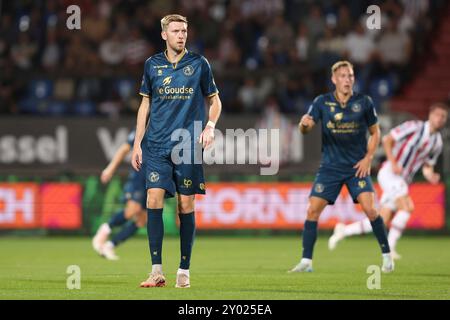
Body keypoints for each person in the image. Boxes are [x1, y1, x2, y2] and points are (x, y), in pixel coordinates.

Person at [131, 14, 222, 288]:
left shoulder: (199, 64)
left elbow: (215, 101)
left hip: (187, 145)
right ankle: (156, 270)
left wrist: (210, 126)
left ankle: (184, 269)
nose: (181, 35)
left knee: (186, 205)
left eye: (184, 30)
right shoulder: (152, 65)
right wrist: (137, 143)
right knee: (153, 198)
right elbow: (144, 106)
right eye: (175, 31)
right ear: (164, 35)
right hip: (156, 145)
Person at [289, 60, 394, 273]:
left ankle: (387, 256)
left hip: (357, 167)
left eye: (350, 76)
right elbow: (306, 128)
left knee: (371, 210)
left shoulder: (364, 102)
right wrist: (304, 125)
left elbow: (376, 132)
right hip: (330, 167)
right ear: (334, 79)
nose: (347, 80)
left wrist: (369, 158)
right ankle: (306, 262)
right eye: (343, 76)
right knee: (312, 211)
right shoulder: (322, 102)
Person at [329, 103, 448, 259]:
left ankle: (344, 230)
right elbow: (387, 140)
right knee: (407, 207)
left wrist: (430, 175)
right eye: (437, 115)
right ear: (430, 115)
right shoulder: (414, 127)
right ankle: (390, 249)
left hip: (403, 180)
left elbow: (427, 166)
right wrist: (393, 162)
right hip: (389, 173)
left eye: (443, 117)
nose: (439, 119)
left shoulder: (437, 142)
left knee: (381, 220)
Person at [92, 130, 147, 260]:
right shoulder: (143, 128)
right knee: (132, 211)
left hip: (154, 177)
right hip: (139, 176)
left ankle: (109, 245)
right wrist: (110, 168)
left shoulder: (166, 126)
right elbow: (124, 149)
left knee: (142, 220)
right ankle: (105, 229)